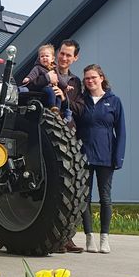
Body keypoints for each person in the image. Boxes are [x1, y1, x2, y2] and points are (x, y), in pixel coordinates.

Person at [74, 64, 126, 254]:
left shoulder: (114, 101)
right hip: (84, 156)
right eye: (87, 78)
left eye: (93, 77)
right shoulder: (82, 101)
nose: (90, 81)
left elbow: (121, 132)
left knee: (105, 198)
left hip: (106, 157)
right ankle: (89, 238)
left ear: (102, 78)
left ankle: (105, 238)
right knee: (85, 198)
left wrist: (118, 157)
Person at [52, 40, 85, 253]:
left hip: (69, 134)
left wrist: (65, 99)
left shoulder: (76, 82)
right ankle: (55, 237)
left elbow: (80, 108)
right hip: (50, 133)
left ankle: (67, 237)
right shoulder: (45, 72)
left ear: (75, 58)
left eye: (68, 55)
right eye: (62, 53)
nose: (64, 58)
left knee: (73, 188)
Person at [20, 44, 59, 112]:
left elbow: (59, 79)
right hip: (44, 87)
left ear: (52, 59)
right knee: (50, 91)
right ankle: (52, 106)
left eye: (47, 56)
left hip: (53, 87)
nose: (44, 58)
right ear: (39, 59)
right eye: (42, 56)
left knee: (58, 97)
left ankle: (57, 110)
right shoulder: (38, 67)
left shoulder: (54, 69)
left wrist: (65, 86)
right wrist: (28, 78)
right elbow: (33, 74)